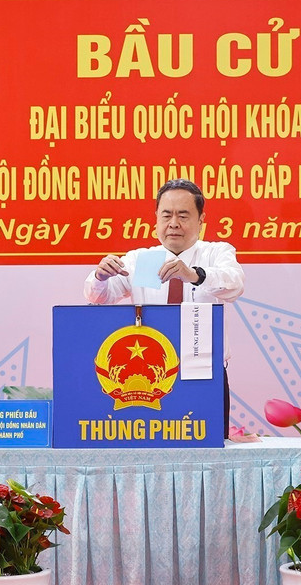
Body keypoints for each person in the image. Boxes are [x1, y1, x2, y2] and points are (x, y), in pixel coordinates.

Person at [84, 178, 245, 429]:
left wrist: (193, 274)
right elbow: (98, 297)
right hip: (151, 375)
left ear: (201, 220)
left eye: (183, 215)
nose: (174, 224)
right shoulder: (142, 260)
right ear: (156, 218)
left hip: (204, 373)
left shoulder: (215, 253)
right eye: (166, 215)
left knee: (210, 453)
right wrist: (99, 277)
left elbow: (234, 284)